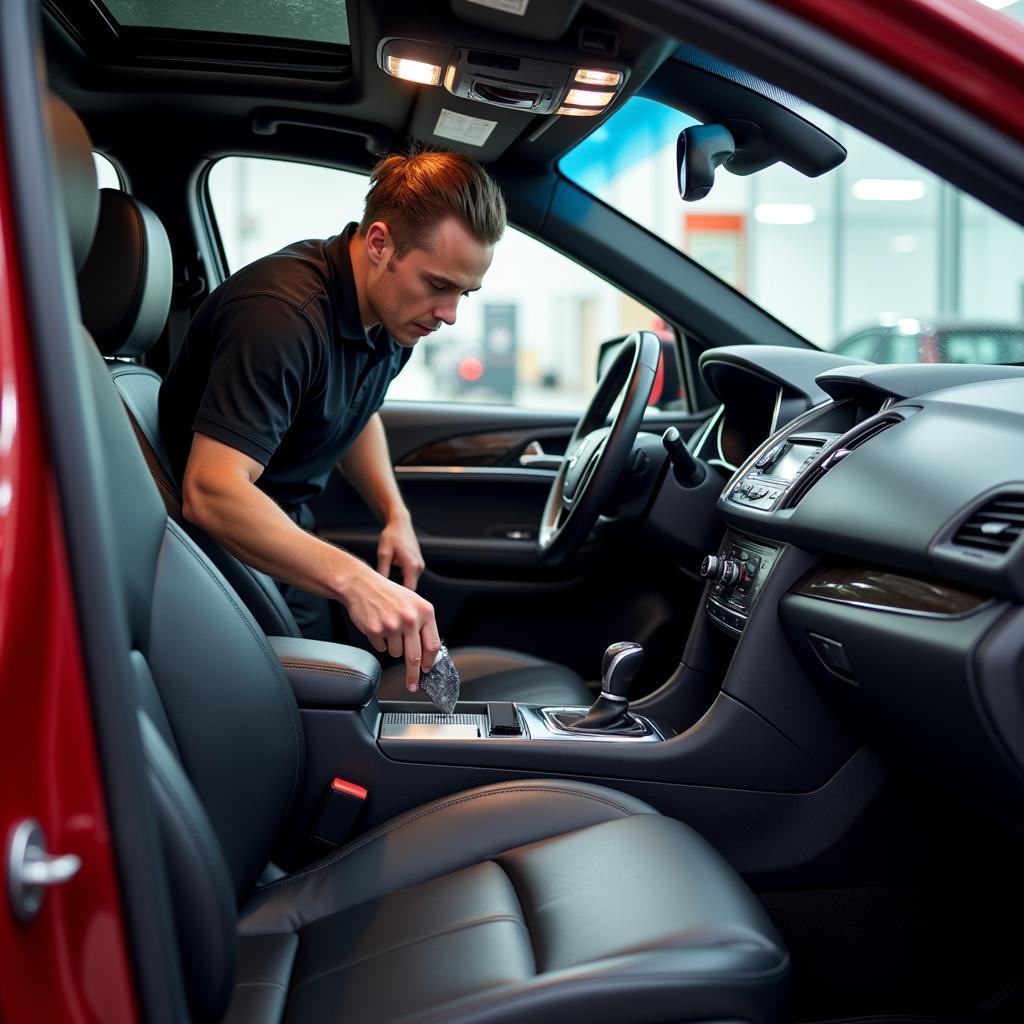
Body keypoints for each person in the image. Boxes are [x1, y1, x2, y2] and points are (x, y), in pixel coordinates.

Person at [158, 148, 507, 692]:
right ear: (379, 243)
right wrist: (355, 580)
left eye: (464, 293)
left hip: (285, 535)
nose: (450, 314)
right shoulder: (280, 317)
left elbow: (354, 411)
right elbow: (211, 490)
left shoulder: (393, 316)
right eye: (439, 285)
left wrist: (396, 514)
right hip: (220, 559)